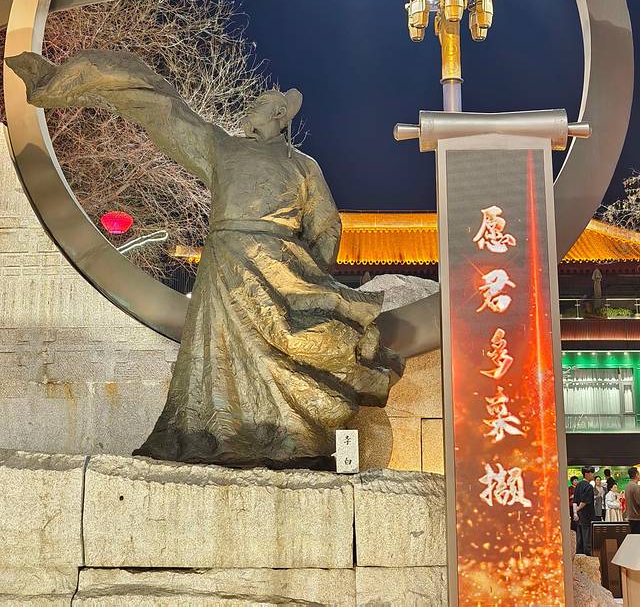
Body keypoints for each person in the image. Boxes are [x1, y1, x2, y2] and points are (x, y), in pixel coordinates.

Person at [7, 49, 402, 469]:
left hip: (281, 270)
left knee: (294, 348)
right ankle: (213, 434)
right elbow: (161, 107)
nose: (251, 106)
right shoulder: (222, 148)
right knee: (219, 352)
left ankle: (293, 436)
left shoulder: (305, 167)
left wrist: (309, 281)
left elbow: (326, 226)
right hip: (225, 264)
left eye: (261, 102)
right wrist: (69, 79)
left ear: (280, 114)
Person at [574, 466, 597, 555]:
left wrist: (575, 513)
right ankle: (587, 558)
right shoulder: (589, 486)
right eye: (592, 473)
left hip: (579, 516)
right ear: (587, 474)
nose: (593, 475)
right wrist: (578, 509)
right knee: (587, 539)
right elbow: (584, 502)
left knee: (579, 539)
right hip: (587, 516)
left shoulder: (578, 485)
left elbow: (575, 501)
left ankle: (579, 558)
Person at [625, 467, 640, 534]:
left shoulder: (628, 486)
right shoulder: (636, 487)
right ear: (636, 474)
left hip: (630, 517)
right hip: (637, 518)